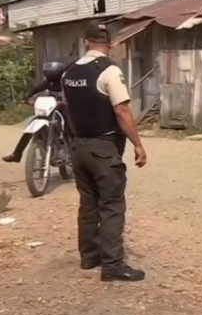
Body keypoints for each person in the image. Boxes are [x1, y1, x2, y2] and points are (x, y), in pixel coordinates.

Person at [61, 23, 146, 282]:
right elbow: (121, 111)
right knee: (111, 205)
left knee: (88, 204)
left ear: (86, 42)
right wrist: (138, 144)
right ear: (110, 44)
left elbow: (68, 106)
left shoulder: (69, 72)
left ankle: (89, 256)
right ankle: (113, 265)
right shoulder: (108, 70)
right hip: (103, 148)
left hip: (78, 147)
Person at [2, 61, 71, 163]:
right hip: (51, 107)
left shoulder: (66, 82)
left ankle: (73, 152)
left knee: (69, 126)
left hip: (64, 107)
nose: (50, 81)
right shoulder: (48, 82)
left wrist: (66, 102)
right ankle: (17, 154)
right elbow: (35, 89)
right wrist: (27, 98)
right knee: (30, 127)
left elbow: (75, 94)